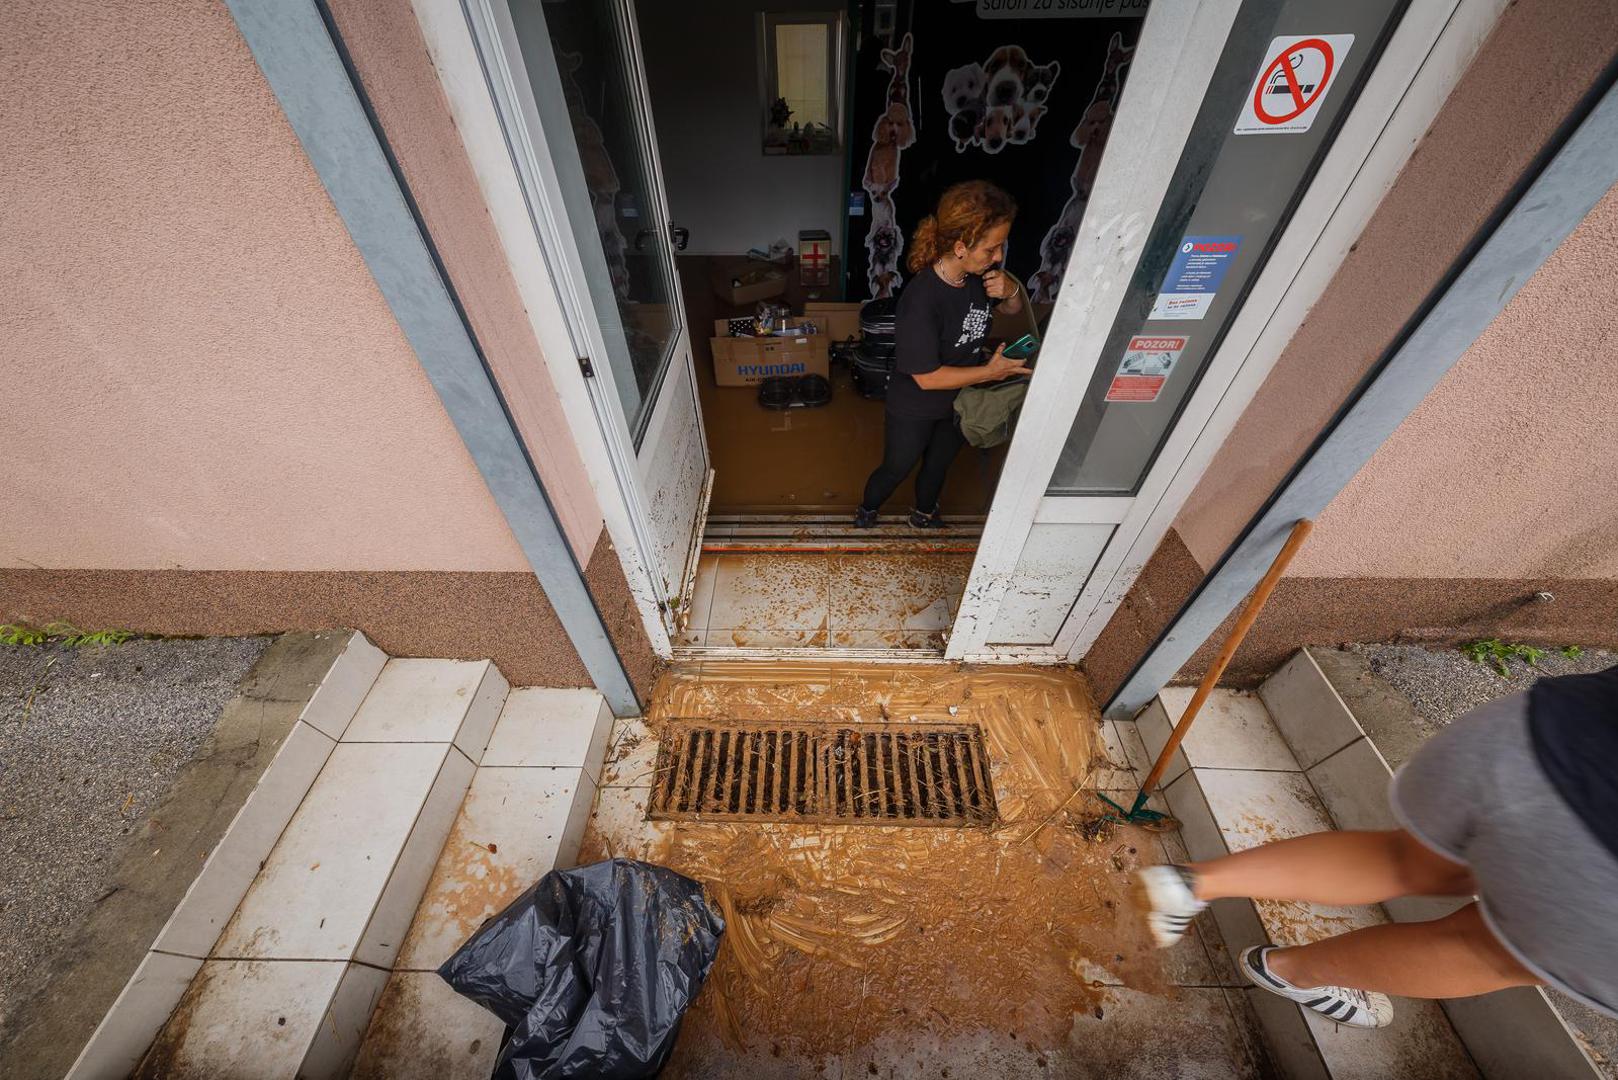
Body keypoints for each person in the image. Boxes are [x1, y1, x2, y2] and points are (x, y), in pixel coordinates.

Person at [1136, 664, 1618, 1028]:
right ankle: (1291, 970)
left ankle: (1194, 882)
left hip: (1544, 730)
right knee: (1487, 952)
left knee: (1402, 860)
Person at [856, 181, 1029, 530]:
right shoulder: (921, 299)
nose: (998, 257)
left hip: (961, 400)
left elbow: (1010, 310)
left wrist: (1012, 289)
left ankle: (923, 514)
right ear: (961, 247)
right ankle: (867, 510)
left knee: (939, 465)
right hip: (915, 406)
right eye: (991, 249)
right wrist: (990, 373)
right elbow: (927, 377)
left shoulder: (981, 276)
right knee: (897, 467)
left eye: (1001, 247)